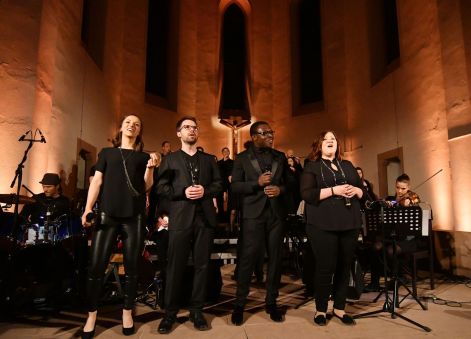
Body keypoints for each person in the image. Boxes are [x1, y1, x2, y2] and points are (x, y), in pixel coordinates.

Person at [80, 114, 159, 338]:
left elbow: (146, 187)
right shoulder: (107, 153)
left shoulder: (143, 157)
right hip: (107, 215)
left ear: (139, 131)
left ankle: (127, 312)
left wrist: (151, 168)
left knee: (133, 268)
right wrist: (88, 208)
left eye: (136, 124)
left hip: (134, 217)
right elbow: (96, 181)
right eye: (128, 122)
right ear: (121, 128)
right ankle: (92, 315)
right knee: (96, 267)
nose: (131, 125)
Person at [156, 116, 222, 334]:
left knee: (202, 266)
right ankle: (170, 313)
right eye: (186, 127)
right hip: (181, 217)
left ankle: (197, 310)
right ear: (179, 133)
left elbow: (219, 184)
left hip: (205, 219)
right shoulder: (170, 159)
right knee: (175, 266)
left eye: (194, 127)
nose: (192, 130)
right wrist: (181, 192)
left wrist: (207, 190)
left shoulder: (209, 159)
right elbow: (161, 188)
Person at [300, 131, 363, 326]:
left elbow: (364, 191)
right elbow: (307, 194)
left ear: (337, 145)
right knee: (326, 267)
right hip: (322, 224)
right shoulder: (312, 166)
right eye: (326, 139)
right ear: (319, 145)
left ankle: (339, 308)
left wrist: (357, 191)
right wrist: (335, 190)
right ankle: (321, 309)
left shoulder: (348, 166)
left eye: (333, 139)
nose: (330, 141)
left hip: (349, 222)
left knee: (344, 267)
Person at [230, 121, 290, 326]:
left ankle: (271, 302)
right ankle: (239, 304)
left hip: (275, 215)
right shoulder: (241, 158)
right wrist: (256, 184)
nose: (271, 136)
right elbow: (235, 186)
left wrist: (280, 190)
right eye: (266, 133)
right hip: (253, 215)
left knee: (275, 259)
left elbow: (291, 184)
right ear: (254, 136)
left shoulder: (280, 157)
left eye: (272, 133)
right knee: (247, 258)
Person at [365, 174, 422, 291]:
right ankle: (374, 282)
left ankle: (398, 277)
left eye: (403, 188)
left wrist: (405, 204)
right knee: (375, 247)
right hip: (392, 236)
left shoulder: (413, 198)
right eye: (398, 187)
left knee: (391, 250)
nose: (400, 191)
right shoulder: (390, 199)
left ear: (408, 187)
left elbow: (412, 205)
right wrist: (386, 204)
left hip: (408, 239)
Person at [20, 173, 71, 241]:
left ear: (57, 186)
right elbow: (23, 216)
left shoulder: (64, 201)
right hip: (34, 233)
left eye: (49, 187)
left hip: (57, 236)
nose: (45, 189)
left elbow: (69, 221)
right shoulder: (36, 198)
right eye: (43, 186)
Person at [216, 147, 234, 223]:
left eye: (227, 151)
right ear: (222, 153)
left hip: (230, 185)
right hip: (221, 184)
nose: (226, 153)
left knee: (229, 202)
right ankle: (221, 219)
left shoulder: (233, 162)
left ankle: (228, 220)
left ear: (229, 153)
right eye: (224, 151)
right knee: (220, 202)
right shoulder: (218, 163)